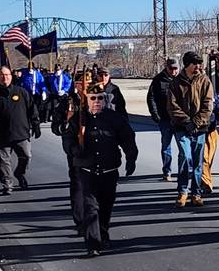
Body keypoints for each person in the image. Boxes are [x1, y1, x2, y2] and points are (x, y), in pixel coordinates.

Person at [63, 81, 137, 257]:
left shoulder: (115, 119)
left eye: (100, 98)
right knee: (91, 207)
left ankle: (103, 233)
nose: (96, 101)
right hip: (87, 171)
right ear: (87, 99)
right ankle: (92, 244)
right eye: (93, 98)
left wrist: (131, 158)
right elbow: (68, 139)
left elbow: (128, 138)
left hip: (109, 170)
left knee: (105, 207)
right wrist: (74, 149)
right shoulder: (78, 119)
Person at [0, 66, 40, 195]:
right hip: (2, 135)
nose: (4, 77)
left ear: (11, 76)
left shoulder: (21, 92)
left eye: (7, 75)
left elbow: (32, 109)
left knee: (26, 156)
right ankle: (7, 184)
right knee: (4, 162)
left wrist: (36, 125)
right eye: (1, 75)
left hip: (21, 133)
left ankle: (20, 173)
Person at [167, 51, 213, 207]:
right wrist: (187, 122)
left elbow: (208, 105)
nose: (198, 67)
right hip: (182, 128)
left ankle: (196, 193)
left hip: (200, 128)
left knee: (198, 162)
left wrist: (196, 122)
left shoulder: (205, 80)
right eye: (195, 64)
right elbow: (172, 106)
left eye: (200, 64)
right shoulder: (175, 83)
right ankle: (182, 192)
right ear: (187, 65)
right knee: (185, 157)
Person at [52, 70, 88, 234]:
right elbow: (56, 127)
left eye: (88, 82)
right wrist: (66, 122)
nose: (85, 86)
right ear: (76, 84)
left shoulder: (96, 99)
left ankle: (95, 221)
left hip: (95, 150)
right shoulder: (67, 102)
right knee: (78, 184)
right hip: (74, 148)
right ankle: (80, 221)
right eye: (82, 83)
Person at [147, 58, 180, 181]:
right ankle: (167, 171)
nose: (174, 71)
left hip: (179, 119)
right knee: (166, 146)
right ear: (166, 68)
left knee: (184, 147)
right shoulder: (158, 80)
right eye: (171, 68)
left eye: (176, 68)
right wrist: (155, 115)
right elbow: (151, 98)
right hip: (165, 119)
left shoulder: (182, 79)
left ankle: (187, 171)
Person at [201, 85, 219, 194]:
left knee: (209, 159)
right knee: (204, 159)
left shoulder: (212, 95)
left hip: (212, 130)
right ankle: (206, 183)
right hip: (199, 131)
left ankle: (203, 179)